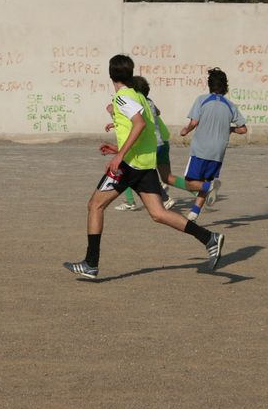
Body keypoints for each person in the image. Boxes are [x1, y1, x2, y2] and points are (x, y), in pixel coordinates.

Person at [64, 54, 225, 279]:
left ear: (110, 75)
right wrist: (117, 149)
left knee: (95, 205)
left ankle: (91, 263)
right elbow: (145, 129)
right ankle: (209, 238)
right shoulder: (139, 96)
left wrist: (120, 156)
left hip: (130, 165)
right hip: (145, 164)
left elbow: (138, 124)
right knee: (159, 213)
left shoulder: (122, 97)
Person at [167, 67, 247, 221]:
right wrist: (230, 129)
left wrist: (185, 130)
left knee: (190, 183)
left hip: (201, 149)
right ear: (225, 86)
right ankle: (194, 212)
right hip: (218, 152)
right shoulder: (231, 106)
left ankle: (209, 188)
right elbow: (243, 129)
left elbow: (194, 122)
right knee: (207, 180)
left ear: (209, 85)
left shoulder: (202, 100)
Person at [108, 76, 176, 212]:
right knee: (157, 175)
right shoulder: (148, 101)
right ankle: (198, 190)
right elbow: (154, 114)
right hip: (159, 143)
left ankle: (156, 196)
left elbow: (138, 123)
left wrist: (113, 114)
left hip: (144, 147)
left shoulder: (133, 100)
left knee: (127, 169)